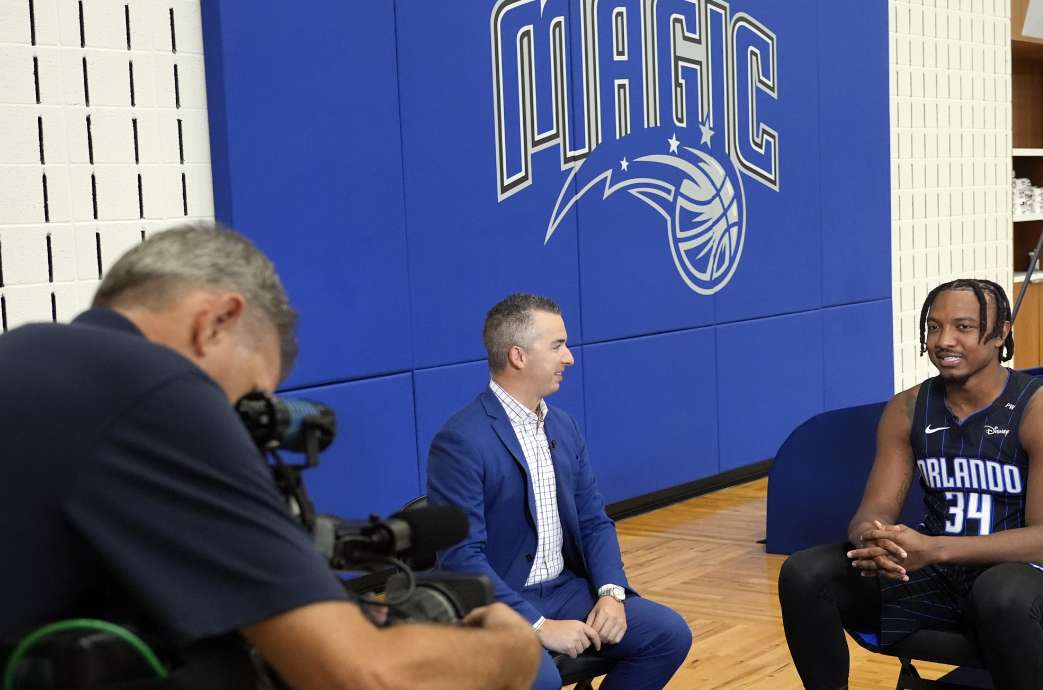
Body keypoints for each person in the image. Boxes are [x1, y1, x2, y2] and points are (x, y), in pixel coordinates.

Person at [0, 224, 539, 690]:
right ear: (217, 322)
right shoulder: (158, 390)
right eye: (249, 396)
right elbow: (366, 676)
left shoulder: (27, 357)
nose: (239, 425)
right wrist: (510, 655)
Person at [778, 278, 1043, 690]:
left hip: (1024, 575)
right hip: (936, 571)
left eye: (964, 327)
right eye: (934, 327)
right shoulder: (907, 408)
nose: (945, 340)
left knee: (1001, 594)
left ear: (1002, 333)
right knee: (805, 573)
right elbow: (873, 511)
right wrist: (873, 538)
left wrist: (934, 549)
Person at [427, 293, 692, 690]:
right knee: (541, 680)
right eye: (557, 346)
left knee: (667, 635)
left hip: (565, 590)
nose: (569, 357)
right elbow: (461, 556)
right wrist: (538, 626)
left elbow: (593, 521)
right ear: (518, 356)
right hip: (500, 600)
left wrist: (610, 593)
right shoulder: (460, 440)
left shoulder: (563, 427)